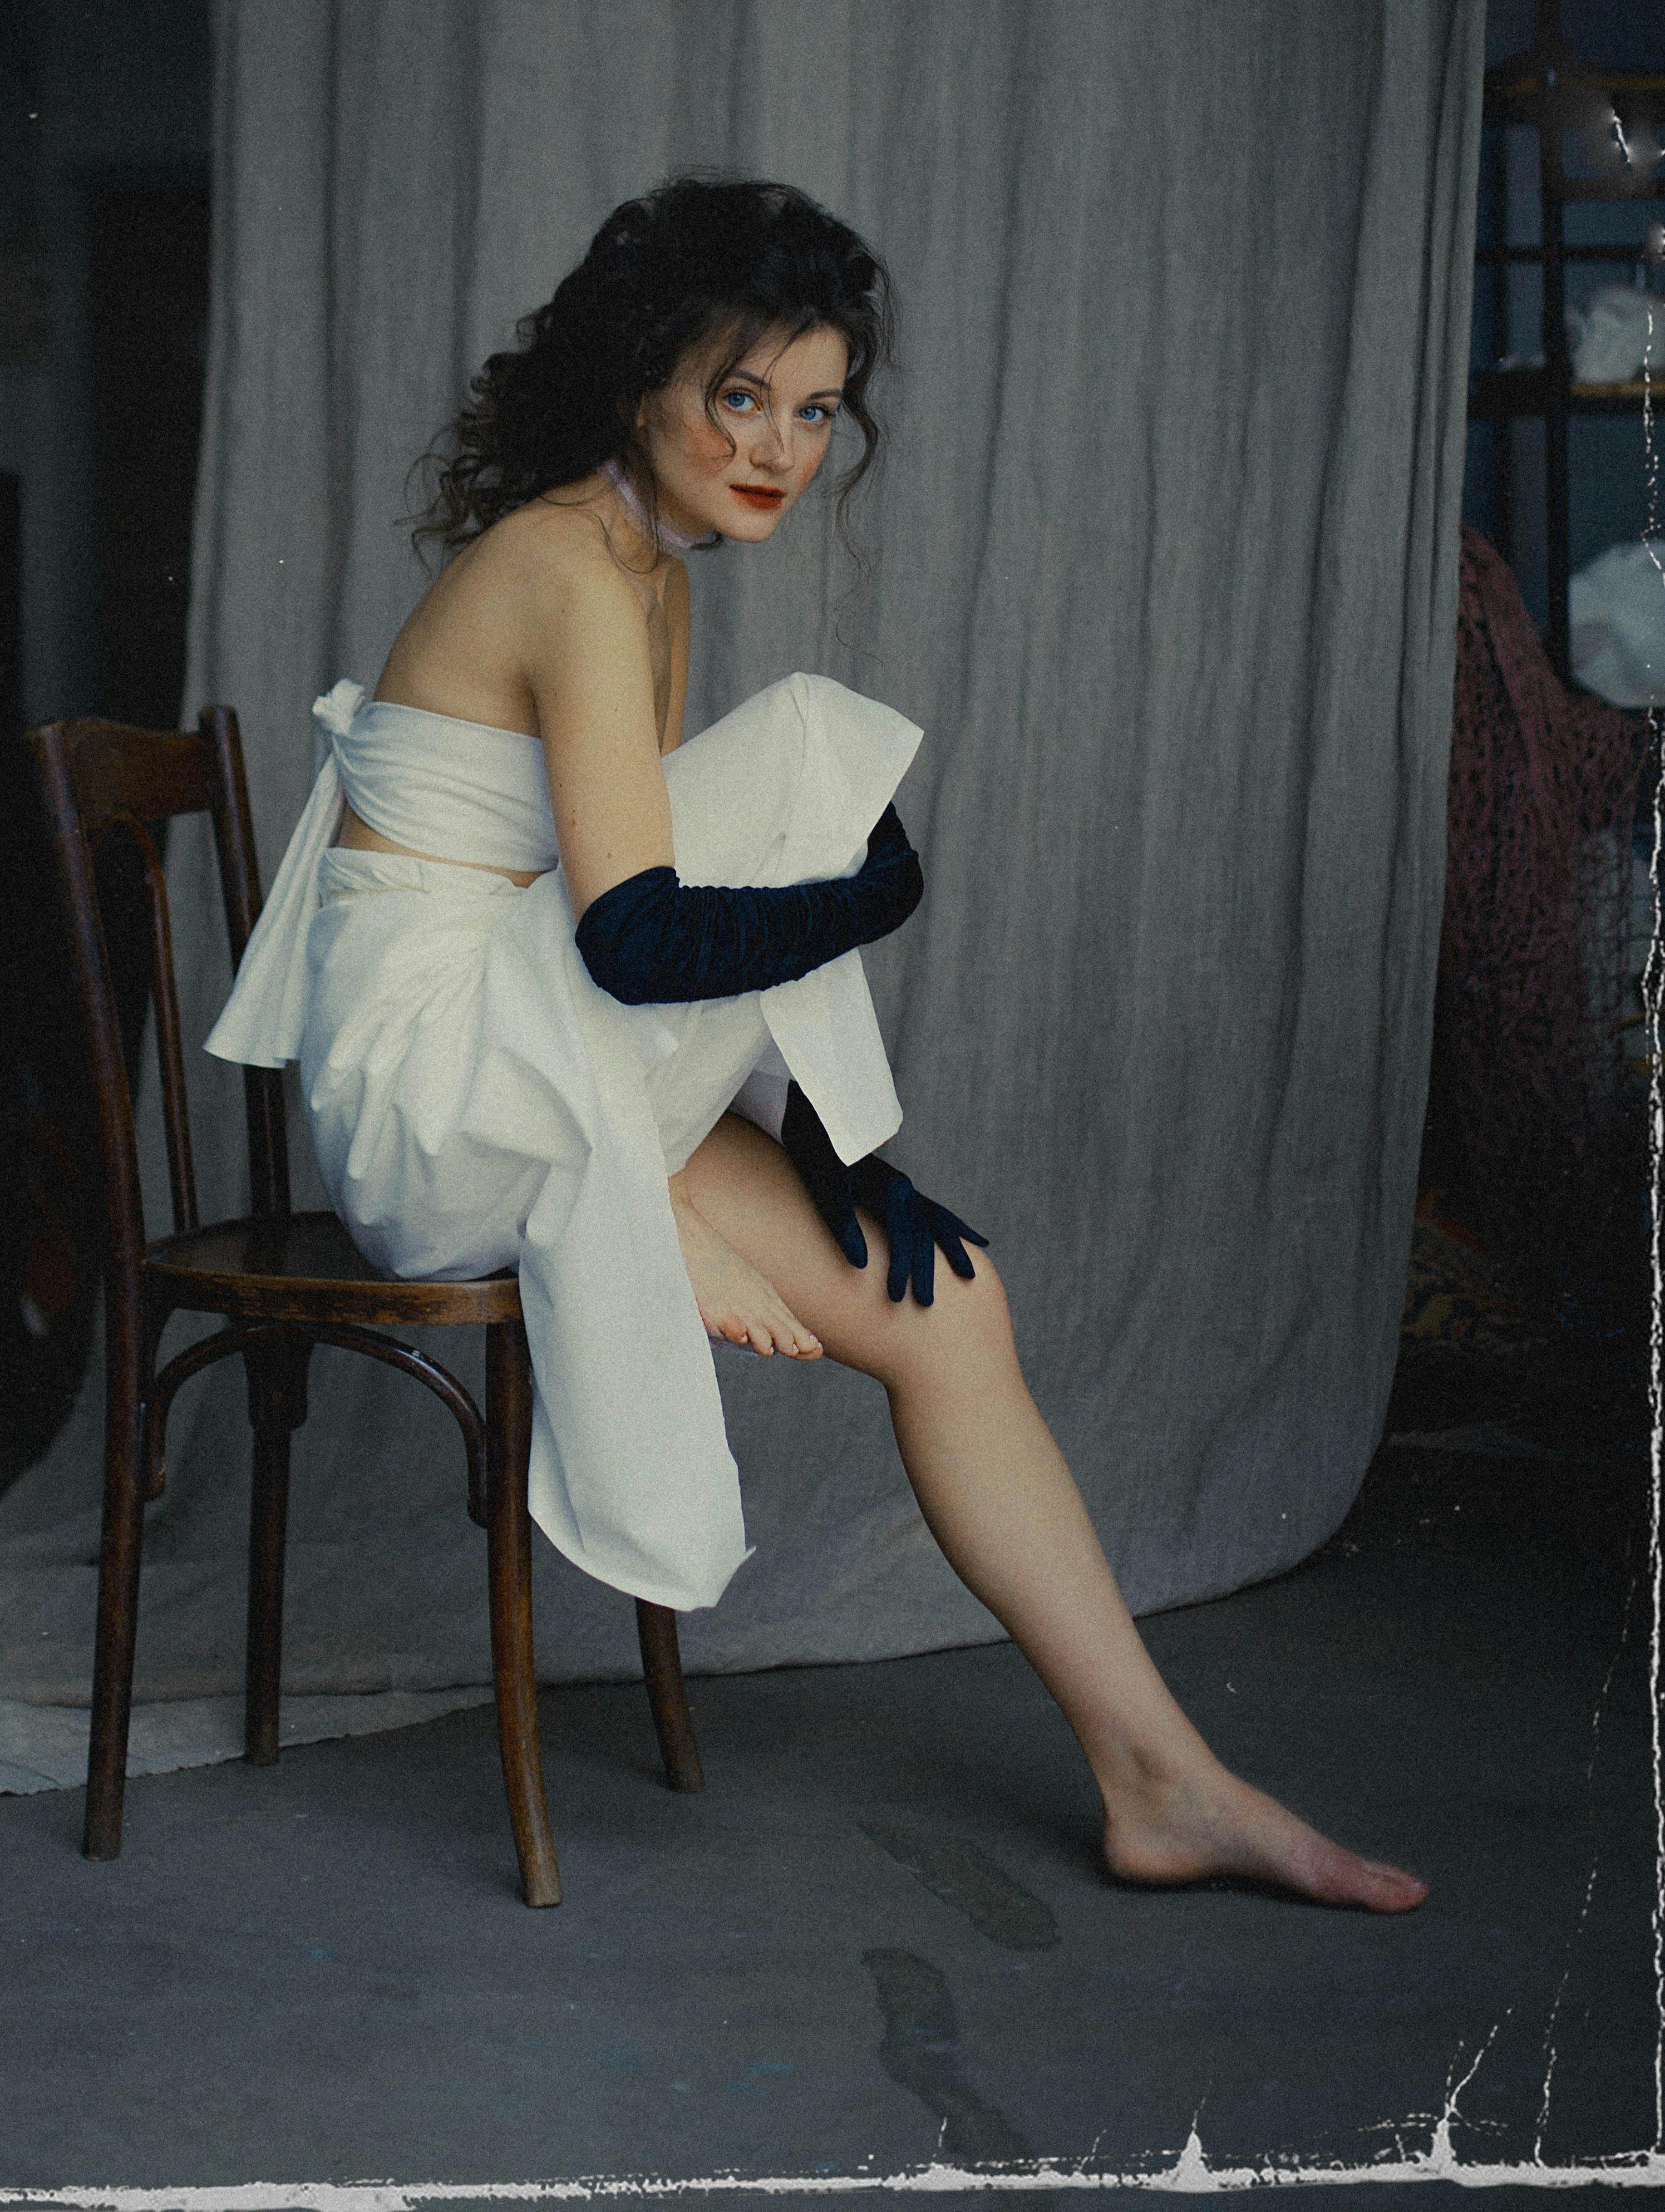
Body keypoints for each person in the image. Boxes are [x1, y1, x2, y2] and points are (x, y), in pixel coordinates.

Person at [208, 174, 1425, 1915]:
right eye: (741, 396)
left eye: (817, 409)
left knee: (957, 1308)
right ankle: (640, 1210)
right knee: (807, 759)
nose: (781, 447)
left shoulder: (656, 568)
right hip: (441, 1108)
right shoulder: (565, 562)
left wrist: (835, 1154)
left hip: (543, 1049)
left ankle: (1162, 1781)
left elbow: (659, 947)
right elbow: (641, 942)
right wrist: (876, 898)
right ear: (644, 379)